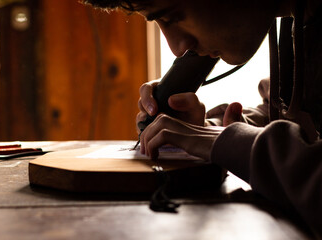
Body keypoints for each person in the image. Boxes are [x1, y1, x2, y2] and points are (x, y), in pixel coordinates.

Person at [81, 0, 322, 237]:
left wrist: (233, 143)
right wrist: (208, 131)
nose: (177, 49)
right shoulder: (300, 17)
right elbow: (300, 119)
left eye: (173, 16)